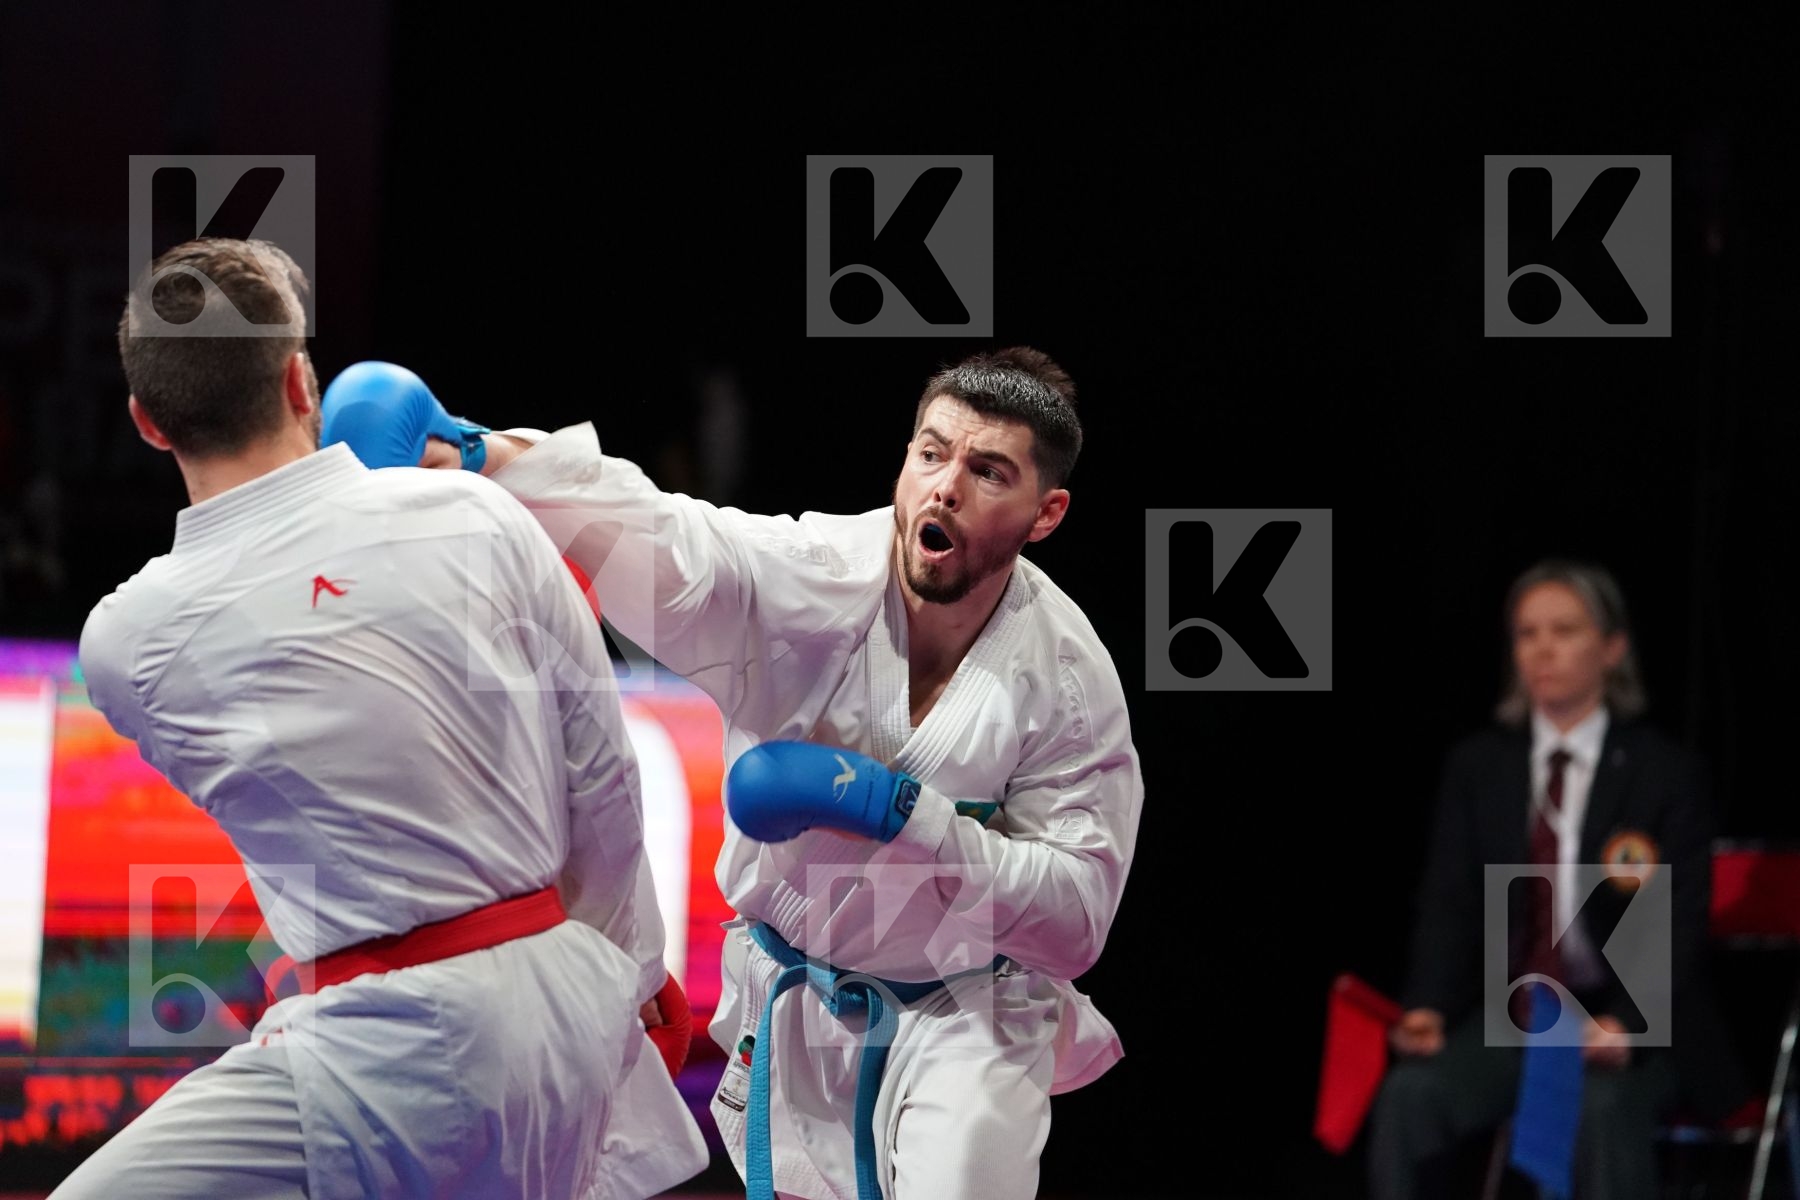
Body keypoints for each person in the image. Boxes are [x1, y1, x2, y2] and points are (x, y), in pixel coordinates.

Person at [324, 346, 1144, 1199]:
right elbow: (666, 534)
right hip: (798, 1006)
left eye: (988, 472)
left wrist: (901, 814)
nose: (944, 486)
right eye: (931, 452)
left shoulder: (1069, 680)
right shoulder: (815, 577)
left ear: (1045, 513)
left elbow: (1075, 921)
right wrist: (477, 453)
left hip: (968, 1014)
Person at [61, 237, 706, 1199]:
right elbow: (599, 771)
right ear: (299, 381)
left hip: (380, 1046)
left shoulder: (127, 640)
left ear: (148, 424)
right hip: (555, 1008)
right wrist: (637, 974)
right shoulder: (478, 518)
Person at [1369, 559, 1742, 1200]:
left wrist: (1628, 1022)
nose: (1542, 649)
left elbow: (1680, 917)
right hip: (1516, 1019)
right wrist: (1427, 1005)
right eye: (1526, 633)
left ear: (1612, 646)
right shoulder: (1481, 768)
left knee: (1600, 1108)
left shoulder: (1663, 773)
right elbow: (1449, 901)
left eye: (1564, 630)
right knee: (1412, 1096)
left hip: (1634, 1023)